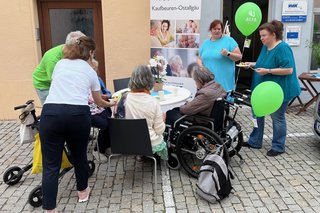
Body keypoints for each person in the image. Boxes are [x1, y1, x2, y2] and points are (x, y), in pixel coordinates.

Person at [39, 36, 117, 212]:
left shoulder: (60, 64)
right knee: (79, 155)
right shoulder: (90, 71)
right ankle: (82, 192)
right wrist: (111, 104)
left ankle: (49, 208)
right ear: (90, 52)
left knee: (51, 164)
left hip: (51, 113)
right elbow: (98, 101)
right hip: (77, 115)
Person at [243, 20, 301, 157]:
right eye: (260, 35)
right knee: (257, 113)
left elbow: (288, 70)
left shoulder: (283, 48)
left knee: (277, 117)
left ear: (273, 34)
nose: (261, 38)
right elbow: (262, 63)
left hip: (280, 90)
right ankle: (255, 141)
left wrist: (268, 71)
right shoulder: (265, 46)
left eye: (264, 35)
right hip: (264, 89)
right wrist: (251, 64)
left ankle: (278, 146)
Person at [125, 65, 168, 161]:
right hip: (150, 143)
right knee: (163, 132)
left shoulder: (127, 98)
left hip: (130, 141)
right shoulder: (153, 101)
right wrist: (163, 119)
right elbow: (160, 130)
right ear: (150, 80)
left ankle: (140, 154)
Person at [32, 31, 85, 105]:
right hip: (44, 84)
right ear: (72, 47)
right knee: (52, 108)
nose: (81, 52)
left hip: (60, 80)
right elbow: (55, 83)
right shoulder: (52, 59)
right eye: (79, 49)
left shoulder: (71, 48)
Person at [198, 20, 242, 91]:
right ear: (210, 30)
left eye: (219, 29)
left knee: (223, 100)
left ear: (222, 30)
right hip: (208, 82)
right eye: (214, 29)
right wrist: (201, 67)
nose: (217, 31)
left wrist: (228, 53)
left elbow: (239, 57)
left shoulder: (229, 41)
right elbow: (199, 58)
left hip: (224, 82)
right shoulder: (206, 43)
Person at [89, 59, 112, 163]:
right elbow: (95, 100)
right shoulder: (83, 81)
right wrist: (110, 103)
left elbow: (100, 95)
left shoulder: (96, 79)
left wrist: (105, 96)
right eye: (94, 68)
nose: (96, 70)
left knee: (112, 120)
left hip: (98, 108)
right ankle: (97, 150)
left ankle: (106, 145)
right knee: (106, 124)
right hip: (88, 112)